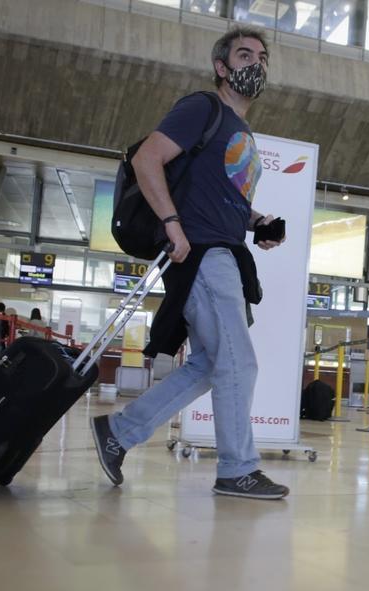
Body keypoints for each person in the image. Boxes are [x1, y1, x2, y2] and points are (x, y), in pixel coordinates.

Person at [91, 26, 289, 499]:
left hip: (222, 251)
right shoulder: (204, 108)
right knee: (239, 362)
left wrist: (258, 221)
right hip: (202, 254)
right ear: (222, 67)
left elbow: (223, 201)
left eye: (262, 57)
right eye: (244, 55)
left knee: (208, 365)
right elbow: (147, 160)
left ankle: (118, 432)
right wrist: (172, 223)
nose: (255, 64)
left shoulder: (242, 131)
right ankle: (237, 469)